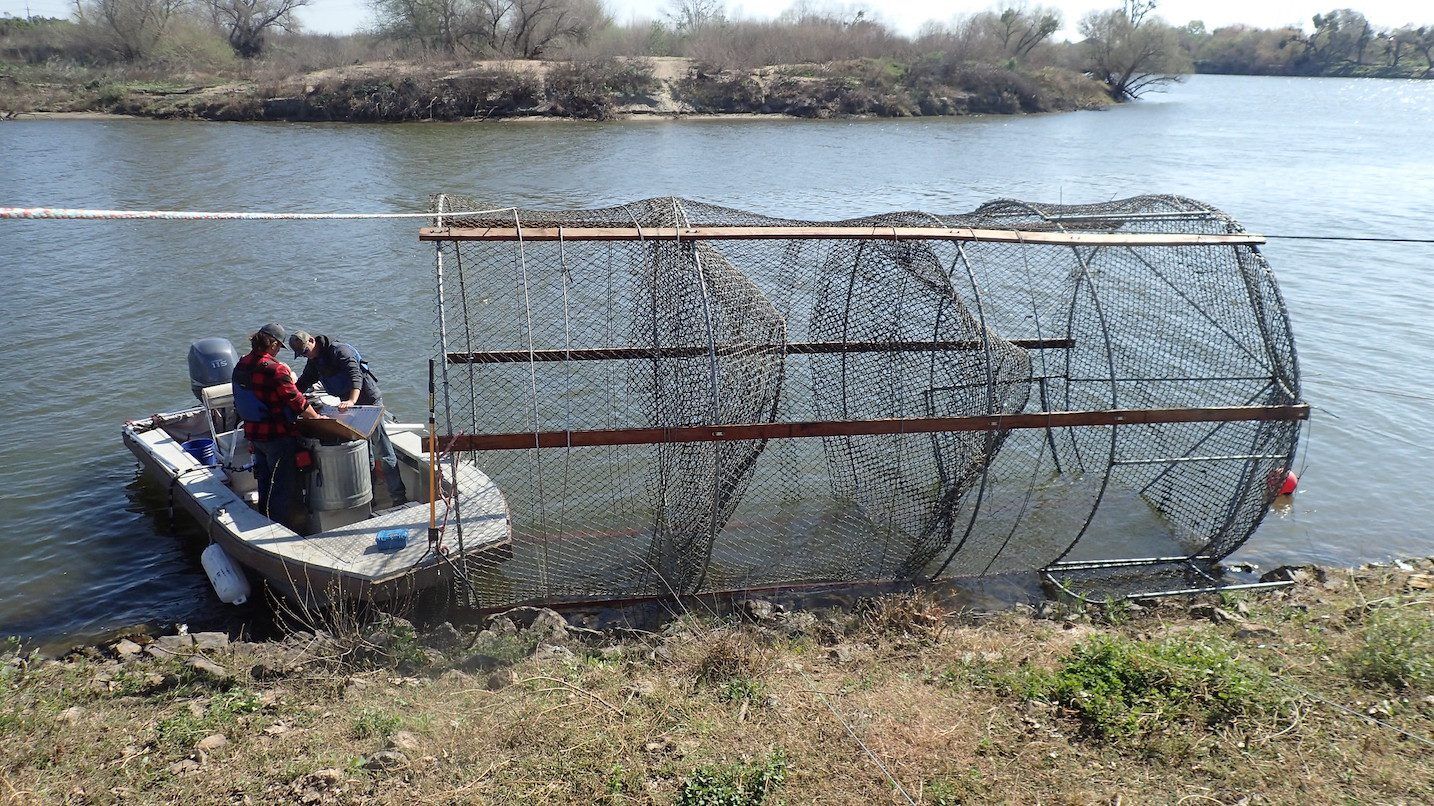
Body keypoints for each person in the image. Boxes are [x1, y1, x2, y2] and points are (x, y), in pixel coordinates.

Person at [288, 330, 409, 506]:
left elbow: (355, 376)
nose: (306, 355)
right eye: (302, 355)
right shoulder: (314, 362)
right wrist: (289, 397)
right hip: (348, 405)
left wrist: (351, 400)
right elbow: (303, 383)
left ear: (312, 341)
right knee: (364, 454)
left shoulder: (340, 351)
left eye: (306, 351)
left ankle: (399, 497)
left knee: (383, 451)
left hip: (369, 404)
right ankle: (370, 499)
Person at [232, 323, 320, 530]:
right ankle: (281, 532)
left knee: (264, 482)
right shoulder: (275, 369)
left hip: (254, 434)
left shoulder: (241, 364)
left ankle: (264, 521)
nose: (279, 351)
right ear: (272, 344)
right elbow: (296, 401)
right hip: (277, 437)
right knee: (283, 486)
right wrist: (317, 418)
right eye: (279, 347)